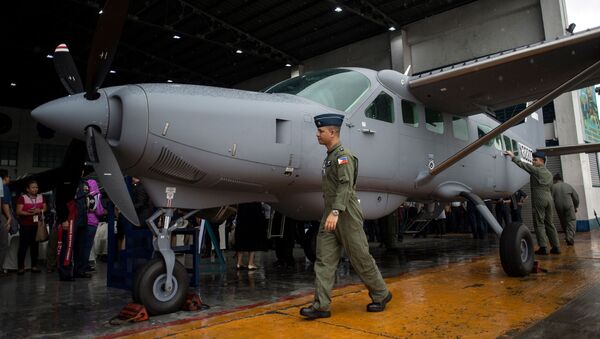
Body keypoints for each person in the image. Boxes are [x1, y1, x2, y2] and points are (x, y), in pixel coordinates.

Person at [300, 113, 391, 320]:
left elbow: (345, 186)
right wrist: (330, 213)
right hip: (330, 213)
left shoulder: (343, 156)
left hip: (345, 213)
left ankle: (381, 293)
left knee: (359, 257)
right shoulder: (330, 157)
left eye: (321, 131)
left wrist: (335, 212)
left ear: (332, 132)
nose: (317, 134)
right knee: (324, 260)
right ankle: (321, 305)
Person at [504, 150, 560, 255]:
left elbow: (523, 165)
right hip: (549, 198)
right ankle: (556, 247)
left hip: (539, 199)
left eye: (535, 160)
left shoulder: (537, 170)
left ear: (542, 161)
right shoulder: (549, 173)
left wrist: (513, 157)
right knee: (549, 223)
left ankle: (543, 247)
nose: (533, 162)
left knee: (539, 223)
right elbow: (551, 188)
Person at [15, 180, 47, 274]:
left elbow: (45, 208)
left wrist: (39, 210)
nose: (35, 189)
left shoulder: (41, 197)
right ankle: (20, 268)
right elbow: (18, 211)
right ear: (27, 189)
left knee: (35, 246)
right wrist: (30, 213)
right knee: (23, 247)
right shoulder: (22, 198)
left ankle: (34, 266)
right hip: (25, 226)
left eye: (36, 187)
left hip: (37, 226)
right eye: (33, 187)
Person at [234, 202, 266, 270]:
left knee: (241, 235)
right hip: (254, 207)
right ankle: (250, 263)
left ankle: (239, 262)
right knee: (253, 234)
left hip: (242, 207)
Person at [552, 173, 579, 246]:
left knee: (563, 222)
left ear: (555, 180)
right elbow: (576, 197)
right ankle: (569, 238)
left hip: (559, 207)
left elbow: (550, 199)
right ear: (561, 179)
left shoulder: (552, 187)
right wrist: (575, 206)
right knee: (571, 221)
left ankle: (567, 236)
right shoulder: (568, 185)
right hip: (569, 206)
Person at [0, 170, 13, 275]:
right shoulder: (4, 187)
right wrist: (9, 217)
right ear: (5, 178)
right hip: (2, 217)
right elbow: (5, 204)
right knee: (3, 244)